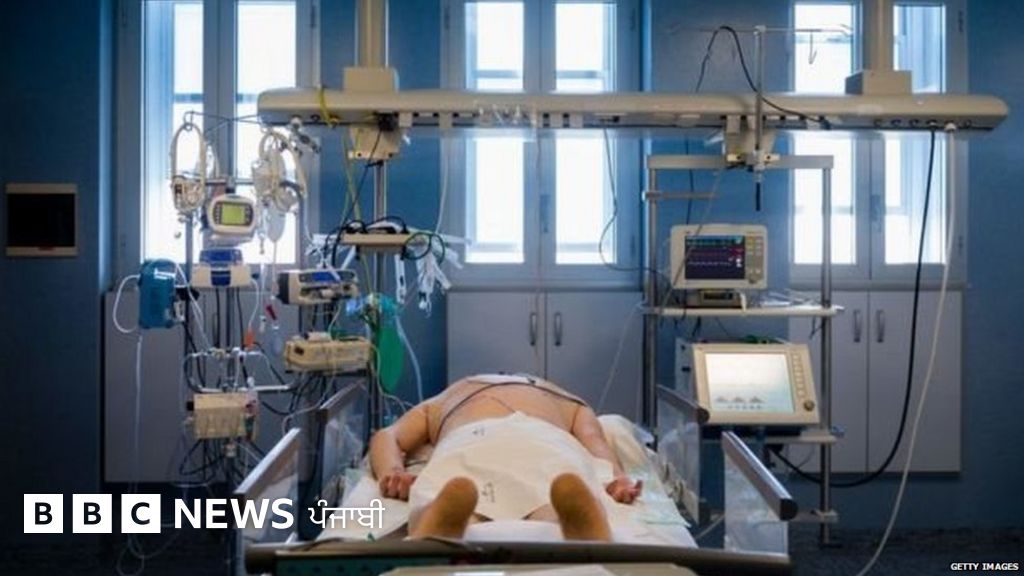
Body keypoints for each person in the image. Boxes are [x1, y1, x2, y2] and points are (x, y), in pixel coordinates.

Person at [369, 374, 643, 541]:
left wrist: (392, 471)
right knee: (552, 500)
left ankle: (440, 528)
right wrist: (616, 478)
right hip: (547, 443)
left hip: (469, 440)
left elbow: (388, 436)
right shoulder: (565, 400)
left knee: (436, 493)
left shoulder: (450, 396)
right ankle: (571, 526)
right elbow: (595, 441)